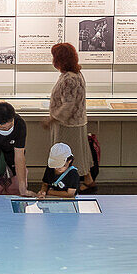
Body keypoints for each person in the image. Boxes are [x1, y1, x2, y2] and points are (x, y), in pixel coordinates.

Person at [41, 42, 96, 191]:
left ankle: (67, 184)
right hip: (76, 122)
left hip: (67, 124)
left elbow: (68, 105)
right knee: (79, 152)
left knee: (66, 153)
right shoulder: (76, 74)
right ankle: (88, 179)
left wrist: (51, 119)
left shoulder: (68, 79)